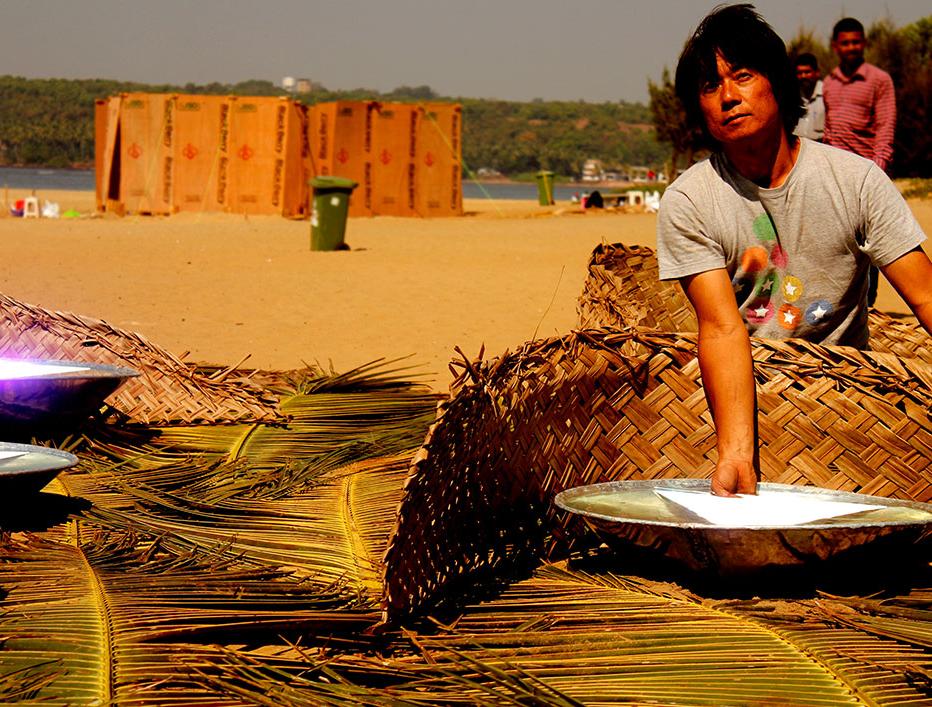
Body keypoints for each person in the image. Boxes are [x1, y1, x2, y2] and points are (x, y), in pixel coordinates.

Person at [656, 4, 932, 498]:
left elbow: (925, 296)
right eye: (710, 85)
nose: (728, 96)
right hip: (747, 386)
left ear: (777, 83)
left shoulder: (857, 181)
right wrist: (736, 454)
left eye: (742, 75)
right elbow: (721, 328)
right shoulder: (689, 201)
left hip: (846, 396)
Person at [823, 16, 896, 306]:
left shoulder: (879, 80)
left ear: (863, 43)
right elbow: (829, 129)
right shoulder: (829, 83)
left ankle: (869, 304)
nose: (851, 47)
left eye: (856, 42)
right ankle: (844, 304)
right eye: (846, 43)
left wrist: (876, 171)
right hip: (834, 176)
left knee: (870, 241)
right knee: (838, 241)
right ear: (836, 46)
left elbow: (885, 127)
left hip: (866, 173)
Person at [792, 53, 824, 141]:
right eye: (799, 73)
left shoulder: (827, 94)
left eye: (807, 72)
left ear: (817, 73)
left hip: (820, 145)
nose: (803, 76)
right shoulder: (792, 95)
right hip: (798, 144)